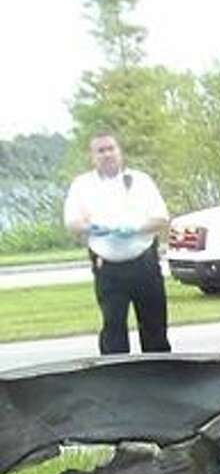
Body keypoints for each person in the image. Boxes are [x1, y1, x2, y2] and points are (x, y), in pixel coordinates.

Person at [63, 134, 171, 354]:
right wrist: (90, 228)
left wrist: (135, 229)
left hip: (144, 263)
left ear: (120, 152)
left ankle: (159, 376)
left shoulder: (141, 181)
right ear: (92, 157)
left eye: (111, 149)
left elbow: (161, 219)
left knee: (154, 326)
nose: (107, 154)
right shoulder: (82, 185)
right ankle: (115, 380)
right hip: (108, 268)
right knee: (113, 328)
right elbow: (72, 223)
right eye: (100, 151)